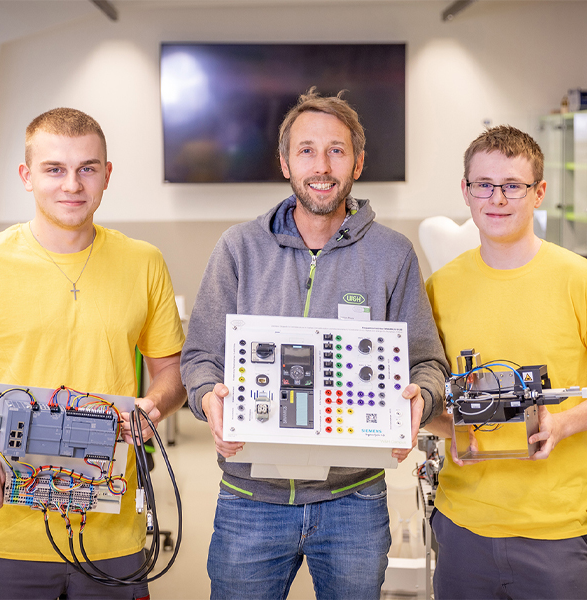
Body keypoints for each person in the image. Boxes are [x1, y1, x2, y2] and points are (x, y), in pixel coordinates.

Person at [0, 108, 186, 599]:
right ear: (27, 176)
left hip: (113, 534)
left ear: (107, 174)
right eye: (54, 169)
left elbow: (171, 371)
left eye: (87, 168)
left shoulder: (143, 262)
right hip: (7, 535)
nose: (72, 184)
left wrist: (156, 404)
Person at [180, 88, 448, 599]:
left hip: (354, 500)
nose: (321, 165)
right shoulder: (239, 247)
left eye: (336, 150)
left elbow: (427, 362)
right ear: (285, 163)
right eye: (306, 150)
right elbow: (200, 357)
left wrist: (423, 397)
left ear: (358, 162)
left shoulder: (393, 254)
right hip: (249, 501)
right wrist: (207, 395)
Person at [424, 125, 587, 599]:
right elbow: (436, 401)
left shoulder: (583, 283)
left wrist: (564, 424)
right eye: (483, 184)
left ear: (539, 193)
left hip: (556, 533)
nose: (497, 199)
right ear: (465, 191)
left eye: (513, 186)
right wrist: (434, 424)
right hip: (464, 525)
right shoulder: (438, 290)